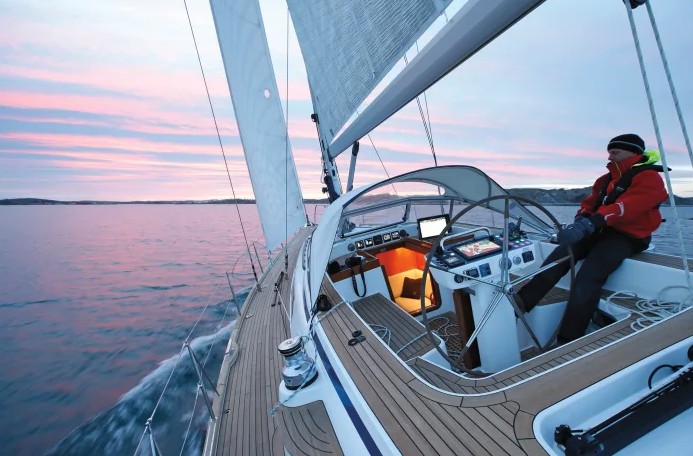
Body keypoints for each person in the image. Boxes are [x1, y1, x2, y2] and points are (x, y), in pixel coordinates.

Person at [515, 134, 668, 342]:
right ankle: (520, 304)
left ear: (634, 152)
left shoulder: (649, 178)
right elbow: (590, 204)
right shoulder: (605, 179)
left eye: (615, 152)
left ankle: (568, 338)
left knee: (587, 278)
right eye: (609, 152)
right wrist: (581, 220)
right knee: (558, 257)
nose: (610, 157)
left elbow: (626, 207)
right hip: (599, 229)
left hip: (628, 236)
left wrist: (589, 224)